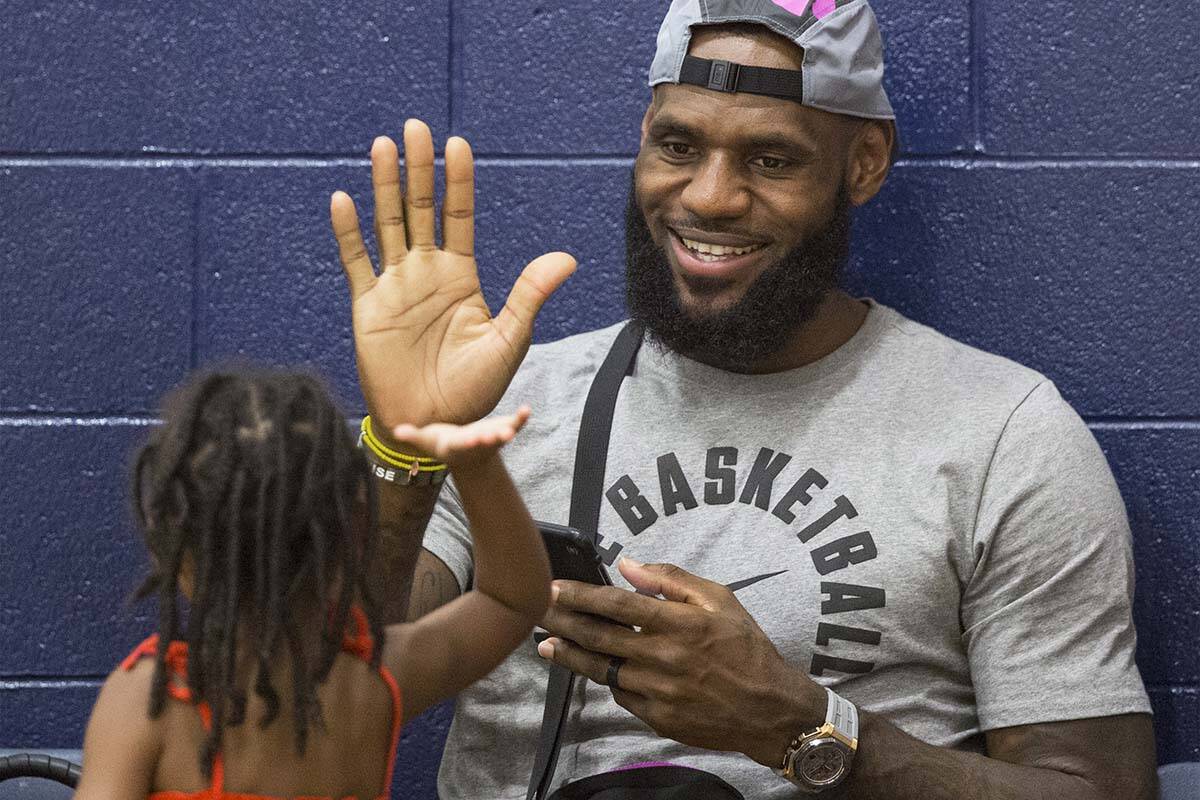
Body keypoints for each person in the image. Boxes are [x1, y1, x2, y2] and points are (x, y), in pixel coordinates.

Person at [327, 1, 1158, 797]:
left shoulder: (1003, 435)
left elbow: (1100, 789)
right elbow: (327, 679)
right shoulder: (507, 406)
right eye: (678, 145)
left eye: (771, 160)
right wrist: (412, 445)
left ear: (861, 164)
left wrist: (796, 725)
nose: (709, 197)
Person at [72, 369, 551, 799]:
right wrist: (474, 462)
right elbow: (512, 599)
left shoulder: (148, 700)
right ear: (355, 532)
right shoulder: (374, 680)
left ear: (169, 548)